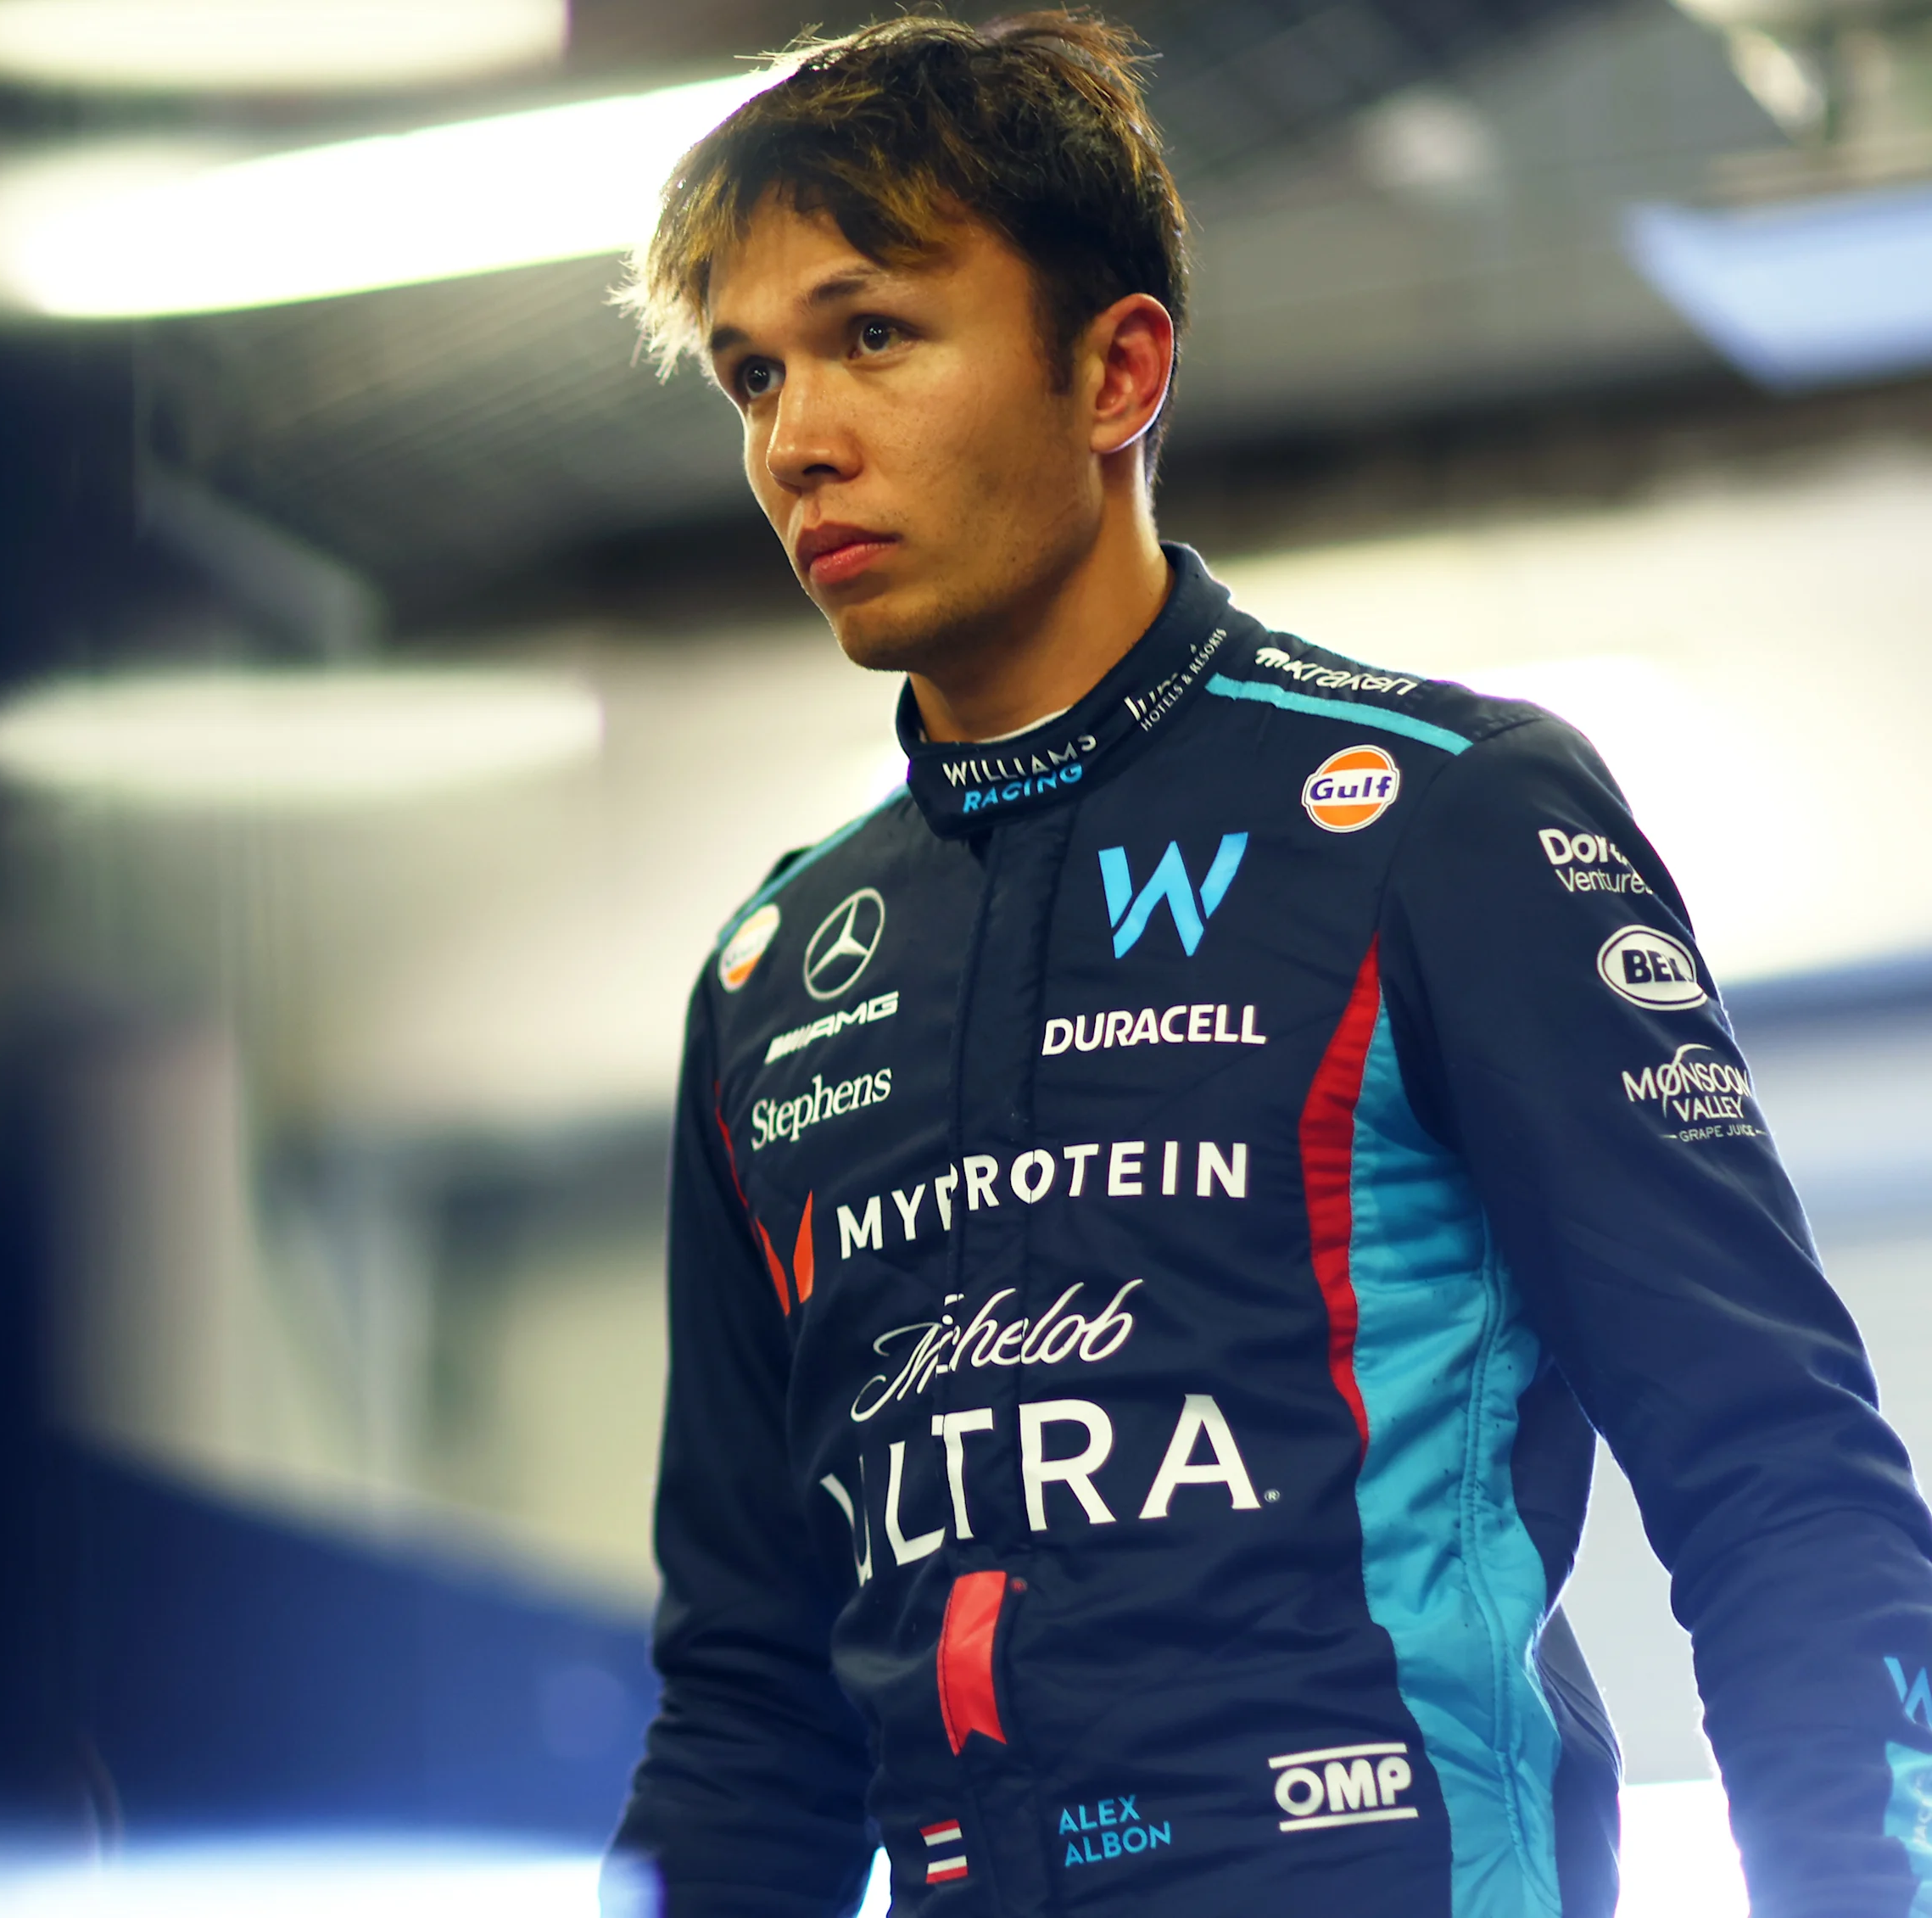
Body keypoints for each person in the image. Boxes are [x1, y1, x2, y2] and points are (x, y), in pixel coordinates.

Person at [606, 14, 1932, 1915]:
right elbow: (748, 1708)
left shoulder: (1442, 817)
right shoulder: (773, 975)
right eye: (752, 374)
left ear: (1115, 370)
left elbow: (1779, 1480)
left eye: (872, 333)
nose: (795, 440)